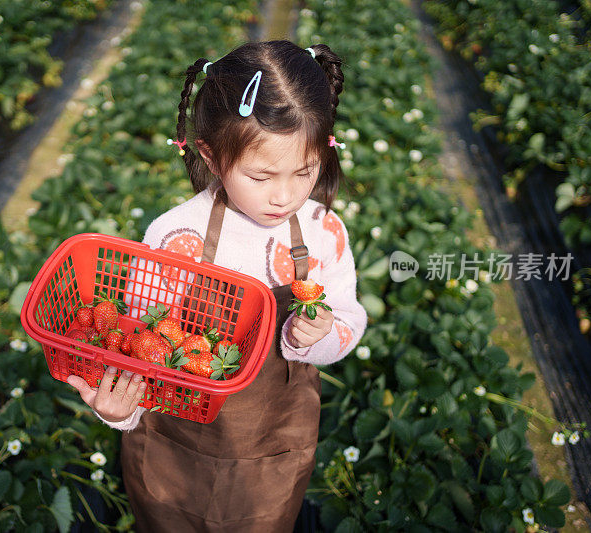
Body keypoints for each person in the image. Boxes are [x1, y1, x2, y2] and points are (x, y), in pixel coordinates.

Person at [67, 40, 368, 532]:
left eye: (305, 171)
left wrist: (315, 335)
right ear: (210, 155)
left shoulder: (321, 231)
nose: (287, 195)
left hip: (274, 447)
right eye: (262, 175)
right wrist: (119, 412)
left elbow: (350, 317)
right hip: (173, 446)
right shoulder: (175, 237)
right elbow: (136, 346)